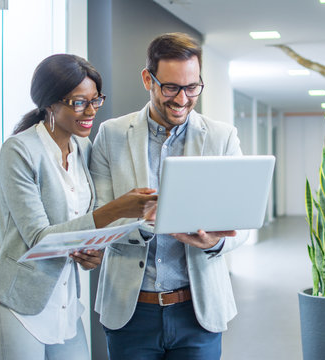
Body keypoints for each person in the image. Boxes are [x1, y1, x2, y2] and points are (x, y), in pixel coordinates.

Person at [0, 54, 157, 360]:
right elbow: (40, 238)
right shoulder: (19, 151)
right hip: (18, 304)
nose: (90, 111)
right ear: (49, 103)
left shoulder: (82, 148)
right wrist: (117, 209)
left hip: (65, 305)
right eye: (79, 102)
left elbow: (78, 224)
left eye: (95, 100)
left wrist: (89, 252)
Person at [90, 32, 249, 359]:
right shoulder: (111, 135)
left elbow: (241, 222)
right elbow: (98, 215)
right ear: (148, 78)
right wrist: (142, 221)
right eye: (171, 87)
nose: (182, 99)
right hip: (131, 313)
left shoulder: (222, 138)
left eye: (192, 88)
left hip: (197, 310)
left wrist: (215, 242)